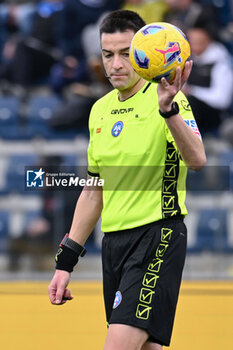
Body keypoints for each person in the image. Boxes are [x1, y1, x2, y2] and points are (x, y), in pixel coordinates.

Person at [48, 10, 206, 350]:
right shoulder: (99, 110)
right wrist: (65, 263)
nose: (116, 64)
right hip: (114, 245)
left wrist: (169, 112)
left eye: (125, 53)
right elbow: (94, 192)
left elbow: (197, 160)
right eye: (108, 54)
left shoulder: (169, 99)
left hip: (158, 235)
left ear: (143, 53)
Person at [183, 26, 233, 135]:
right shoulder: (189, 59)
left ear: (207, 41)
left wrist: (193, 91)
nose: (193, 46)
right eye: (191, 42)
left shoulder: (220, 62)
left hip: (214, 114)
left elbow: (221, 100)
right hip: (194, 107)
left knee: (188, 103)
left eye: (197, 42)